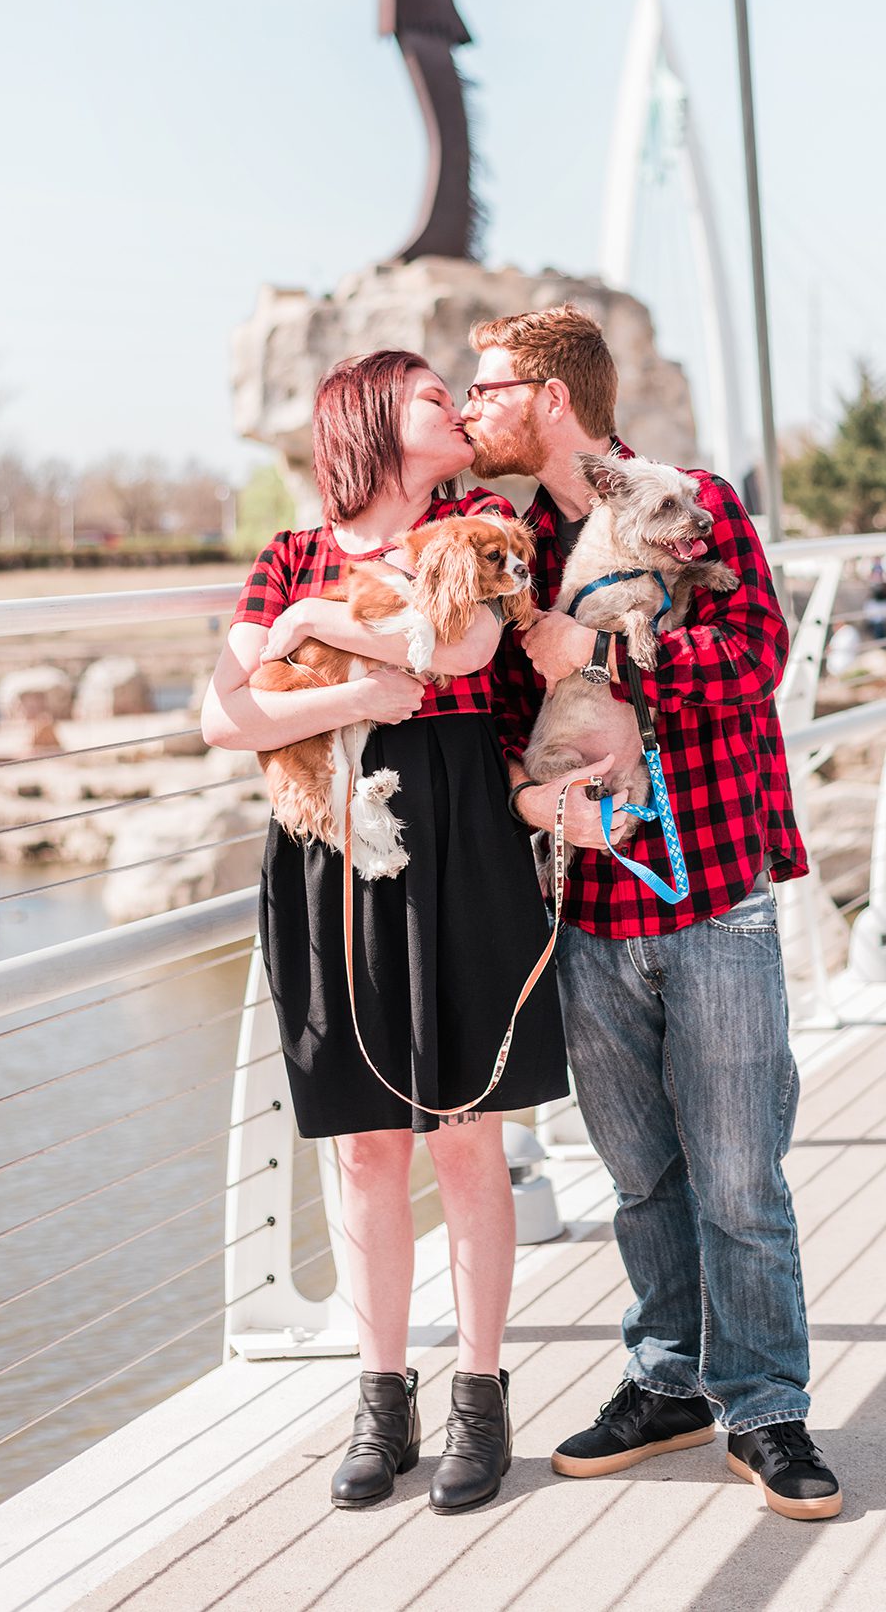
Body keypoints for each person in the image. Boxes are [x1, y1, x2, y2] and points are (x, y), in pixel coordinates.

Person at [464, 303, 843, 1522]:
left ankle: (768, 1406)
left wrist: (614, 662)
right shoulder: (508, 545)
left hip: (712, 888)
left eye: (488, 388)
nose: (475, 408)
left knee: (739, 1174)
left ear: (551, 397)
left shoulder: (695, 502)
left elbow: (753, 658)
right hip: (586, 912)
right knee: (637, 1174)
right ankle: (668, 1380)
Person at [201, 351, 568, 1516]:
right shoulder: (293, 559)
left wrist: (315, 640)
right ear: (368, 420)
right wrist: (350, 681)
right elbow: (228, 712)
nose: (456, 410)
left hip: (456, 825)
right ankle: (380, 1394)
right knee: (364, 1143)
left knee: (464, 1130)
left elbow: (460, 651)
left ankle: (480, 1392)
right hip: (334, 841)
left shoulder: (477, 520)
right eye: (429, 398)